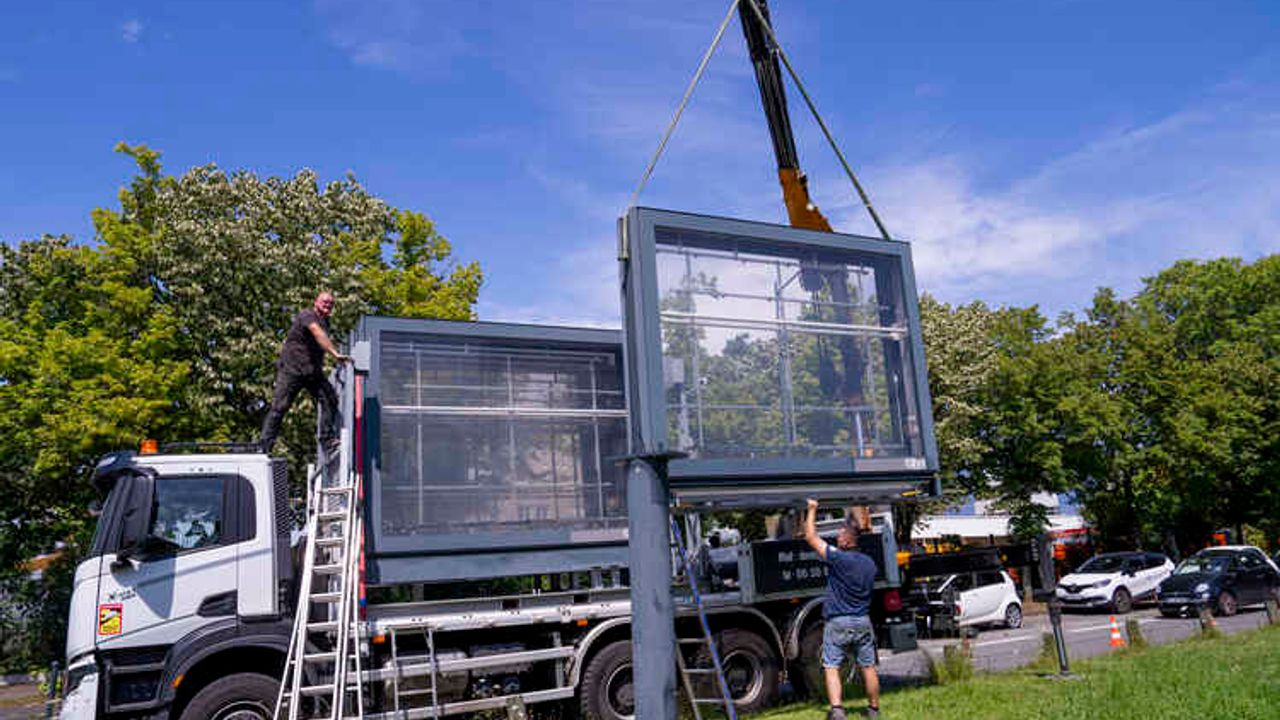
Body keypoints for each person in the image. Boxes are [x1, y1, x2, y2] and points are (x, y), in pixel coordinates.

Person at [804, 498, 880, 720]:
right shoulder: (870, 563)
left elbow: (810, 537)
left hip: (839, 622)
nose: (837, 538)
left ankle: (837, 711)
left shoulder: (839, 559)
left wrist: (811, 510)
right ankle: (873, 710)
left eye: (840, 535)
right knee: (868, 667)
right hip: (863, 621)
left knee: (831, 666)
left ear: (848, 541)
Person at [259, 292, 350, 454]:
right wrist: (334, 354)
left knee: (330, 399)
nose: (328, 305)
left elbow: (321, 339)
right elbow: (317, 333)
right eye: (325, 302)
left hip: (312, 372)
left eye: (331, 304)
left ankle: (327, 441)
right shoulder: (307, 315)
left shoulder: (326, 322)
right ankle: (264, 447)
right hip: (292, 370)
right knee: (280, 407)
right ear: (316, 302)